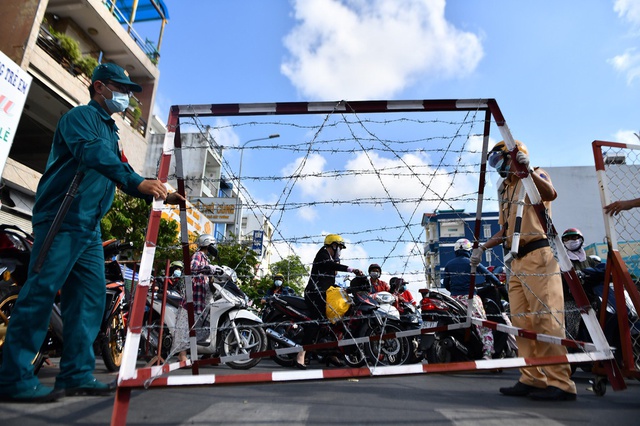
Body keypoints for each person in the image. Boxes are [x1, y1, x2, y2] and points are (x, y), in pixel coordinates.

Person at [0, 63, 183, 403]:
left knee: (89, 299)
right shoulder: (80, 119)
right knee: (40, 292)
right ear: (99, 87)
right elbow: (94, 155)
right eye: (121, 88)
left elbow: (125, 171)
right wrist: (133, 181)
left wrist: (160, 192)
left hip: (88, 227)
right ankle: (12, 377)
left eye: (129, 91)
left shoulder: (111, 132)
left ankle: (76, 373)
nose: (126, 97)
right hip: (62, 217)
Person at [472, 140, 577, 401]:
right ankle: (532, 377)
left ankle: (560, 382)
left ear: (515, 156)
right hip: (515, 261)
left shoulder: (534, 174)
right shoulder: (505, 190)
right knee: (521, 322)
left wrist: (527, 171)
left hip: (539, 255)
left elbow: (551, 193)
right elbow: (505, 228)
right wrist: (483, 247)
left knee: (546, 319)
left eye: (501, 161)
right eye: (494, 163)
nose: (499, 168)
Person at [300, 234, 362, 370]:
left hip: (323, 294)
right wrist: (351, 269)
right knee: (318, 321)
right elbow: (329, 265)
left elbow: (332, 277)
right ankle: (301, 355)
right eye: (339, 247)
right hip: (314, 294)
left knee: (334, 321)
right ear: (332, 245)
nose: (340, 250)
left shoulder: (332, 258)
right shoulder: (322, 254)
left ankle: (331, 353)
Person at [443, 238, 500, 360]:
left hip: (454, 300)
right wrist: (498, 283)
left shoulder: (449, 265)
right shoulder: (472, 262)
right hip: (470, 298)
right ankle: (488, 354)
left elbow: (446, 284)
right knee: (483, 326)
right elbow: (489, 275)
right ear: (469, 250)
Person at [174, 233, 220, 362]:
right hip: (193, 297)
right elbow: (192, 268)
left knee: (203, 326)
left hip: (202, 298)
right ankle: (182, 355)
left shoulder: (206, 259)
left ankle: (205, 352)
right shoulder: (198, 255)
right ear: (207, 244)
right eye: (213, 244)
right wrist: (207, 268)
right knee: (186, 327)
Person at [560, 228, 599, 341]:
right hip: (571, 301)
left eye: (574, 237)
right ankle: (571, 352)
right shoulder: (562, 262)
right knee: (573, 331)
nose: (570, 241)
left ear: (581, 240)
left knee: (598, 328)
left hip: (591, 299)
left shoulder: (590, 261)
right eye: (566, 239)